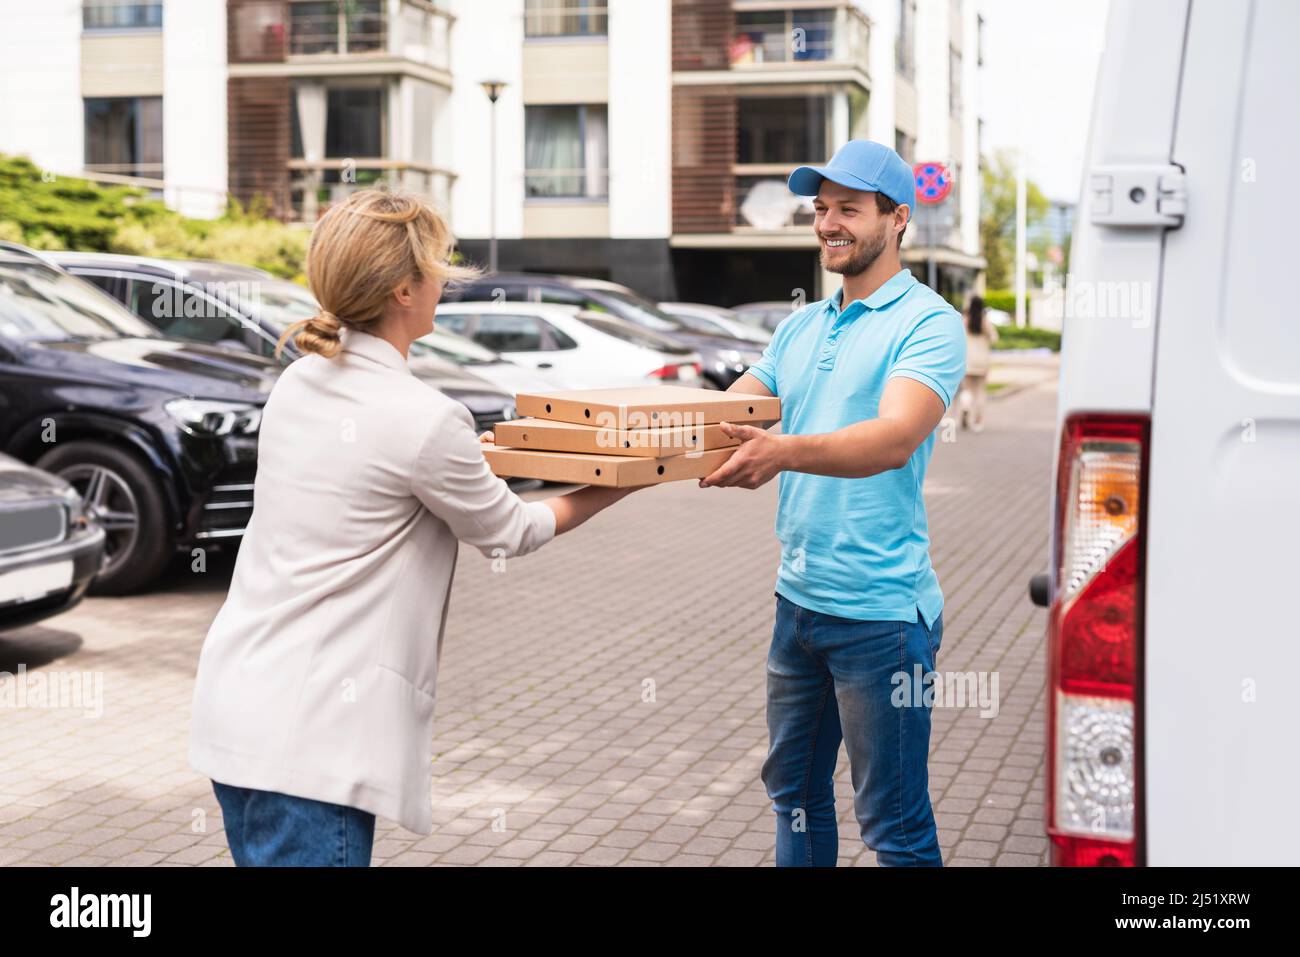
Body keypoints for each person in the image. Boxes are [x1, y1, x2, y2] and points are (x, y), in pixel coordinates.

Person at [188, 189, 639, 867]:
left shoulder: (300, 381)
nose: (445, 280)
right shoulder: (422, 416)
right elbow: (510, 529)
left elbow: (381, 472)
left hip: (239, 711)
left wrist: (492, 454)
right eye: (437, 267)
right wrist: (632, 476)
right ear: (403, 288)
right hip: (312, 745)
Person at [700, 140, 966, 866]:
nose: (828, 223)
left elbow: (891, 438)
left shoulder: (929, 322)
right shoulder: (802, 326)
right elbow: (723, 415)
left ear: (898, 218)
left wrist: (781, 450)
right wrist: (609, 437)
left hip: (882, 615)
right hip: (799, 604)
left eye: (849, 208)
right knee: (791, 790)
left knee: (894, 823)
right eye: (821, 209)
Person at [958, 294, 997, 432]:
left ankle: (965, 408)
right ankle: (978, 421)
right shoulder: (984, 321)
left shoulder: (964, 321)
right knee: (980, 391)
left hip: (967, 360)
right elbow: (994, 338)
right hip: (982, 361)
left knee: (967, 389)